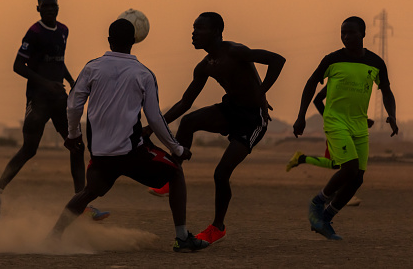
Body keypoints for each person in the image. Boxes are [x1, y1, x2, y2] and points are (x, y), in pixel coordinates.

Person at [47, 19, 209, 253]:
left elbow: (73, 106)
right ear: (134, 41)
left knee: (88, 192)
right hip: (132, 152)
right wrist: (178, 149)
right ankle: (182, 238)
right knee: (175, 172)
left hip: (101, 153)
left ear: (109, 40)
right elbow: (155, 119)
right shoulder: (143, 73)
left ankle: (53, 237)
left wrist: (73, 135)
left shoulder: (92, 67)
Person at [148, 12, 286, 244]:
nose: (193, 33)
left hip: (252, 119)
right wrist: (152, 126)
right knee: (189, 121)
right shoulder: (204, 66)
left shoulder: (235, 51)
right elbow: (185, 102)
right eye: (193, 28)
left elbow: (278, 60)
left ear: (216, 32)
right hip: (230, 109)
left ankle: (217, 227)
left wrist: (261, 92)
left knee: (221, 174)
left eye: (199, 28)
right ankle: (172, 177)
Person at [0, 0, 108, 221]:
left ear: (58, 7)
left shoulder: (63, 30)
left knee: (77, 146)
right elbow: (18, 65)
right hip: (38, 101)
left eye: (53, 5)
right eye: (45, 6)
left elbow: (58, 61)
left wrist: (70, 80)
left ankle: (81, 203)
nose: (50, 9)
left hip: (59, 99)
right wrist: (45, 84)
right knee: (29, 150)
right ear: (38, 9)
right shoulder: (34, 32)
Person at [293, 16, 398, 240]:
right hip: (335, 121)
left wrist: (392, 115)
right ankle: (317, 202)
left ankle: (326, 218)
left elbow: (386, 91)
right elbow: (311, 83)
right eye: (343, 33)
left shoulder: (375, 62)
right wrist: (301, 116)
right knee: (348, 169)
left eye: (351, 32)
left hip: (359, 124)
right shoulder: (333, 59)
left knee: (358, 178)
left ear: (363, 34)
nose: (346, 37)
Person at [287, 85, 374, 207]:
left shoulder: (355, 82)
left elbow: (350, 110)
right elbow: (317, 100)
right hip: (337, 130)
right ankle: (335, 195)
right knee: (344, 165)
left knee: (341, 165)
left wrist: (363, 121)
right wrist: (332, 119)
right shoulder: (337, 78)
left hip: (354, 130)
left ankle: (302, 159)